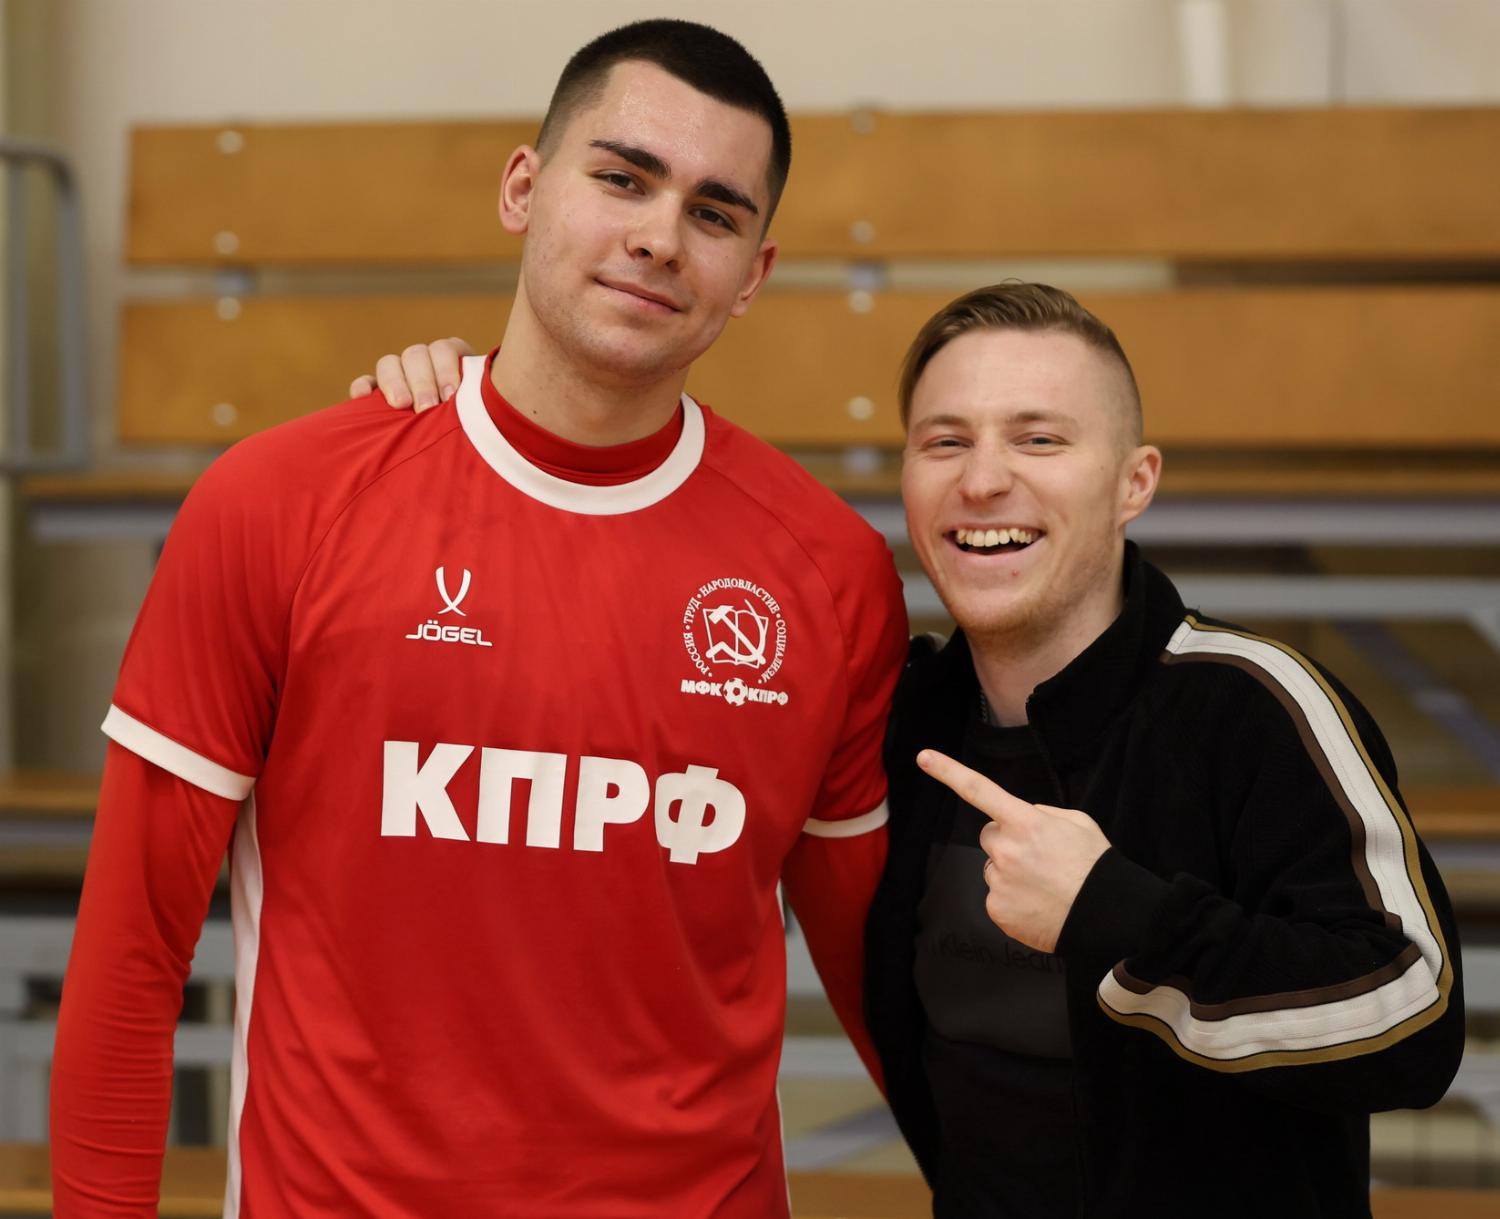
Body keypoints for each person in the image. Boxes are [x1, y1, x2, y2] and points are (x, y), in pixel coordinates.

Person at [50, 20, 906, 1219]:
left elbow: (891, 998)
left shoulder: (830, 572)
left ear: (754, 273)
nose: (660, 236)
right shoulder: (280, 505)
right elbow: (132, 958)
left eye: (713, 214)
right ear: (523, 189)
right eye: (623, 179)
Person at [376, 283, 1465, 1219]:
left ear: (1133, 482)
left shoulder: (1252, 705)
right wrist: (486, 407)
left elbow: (1413, 1013)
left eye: (1039, 439)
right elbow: (612, 732)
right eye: (946, 441)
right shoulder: (892, 719)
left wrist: (1115, 910)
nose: (984, 479)